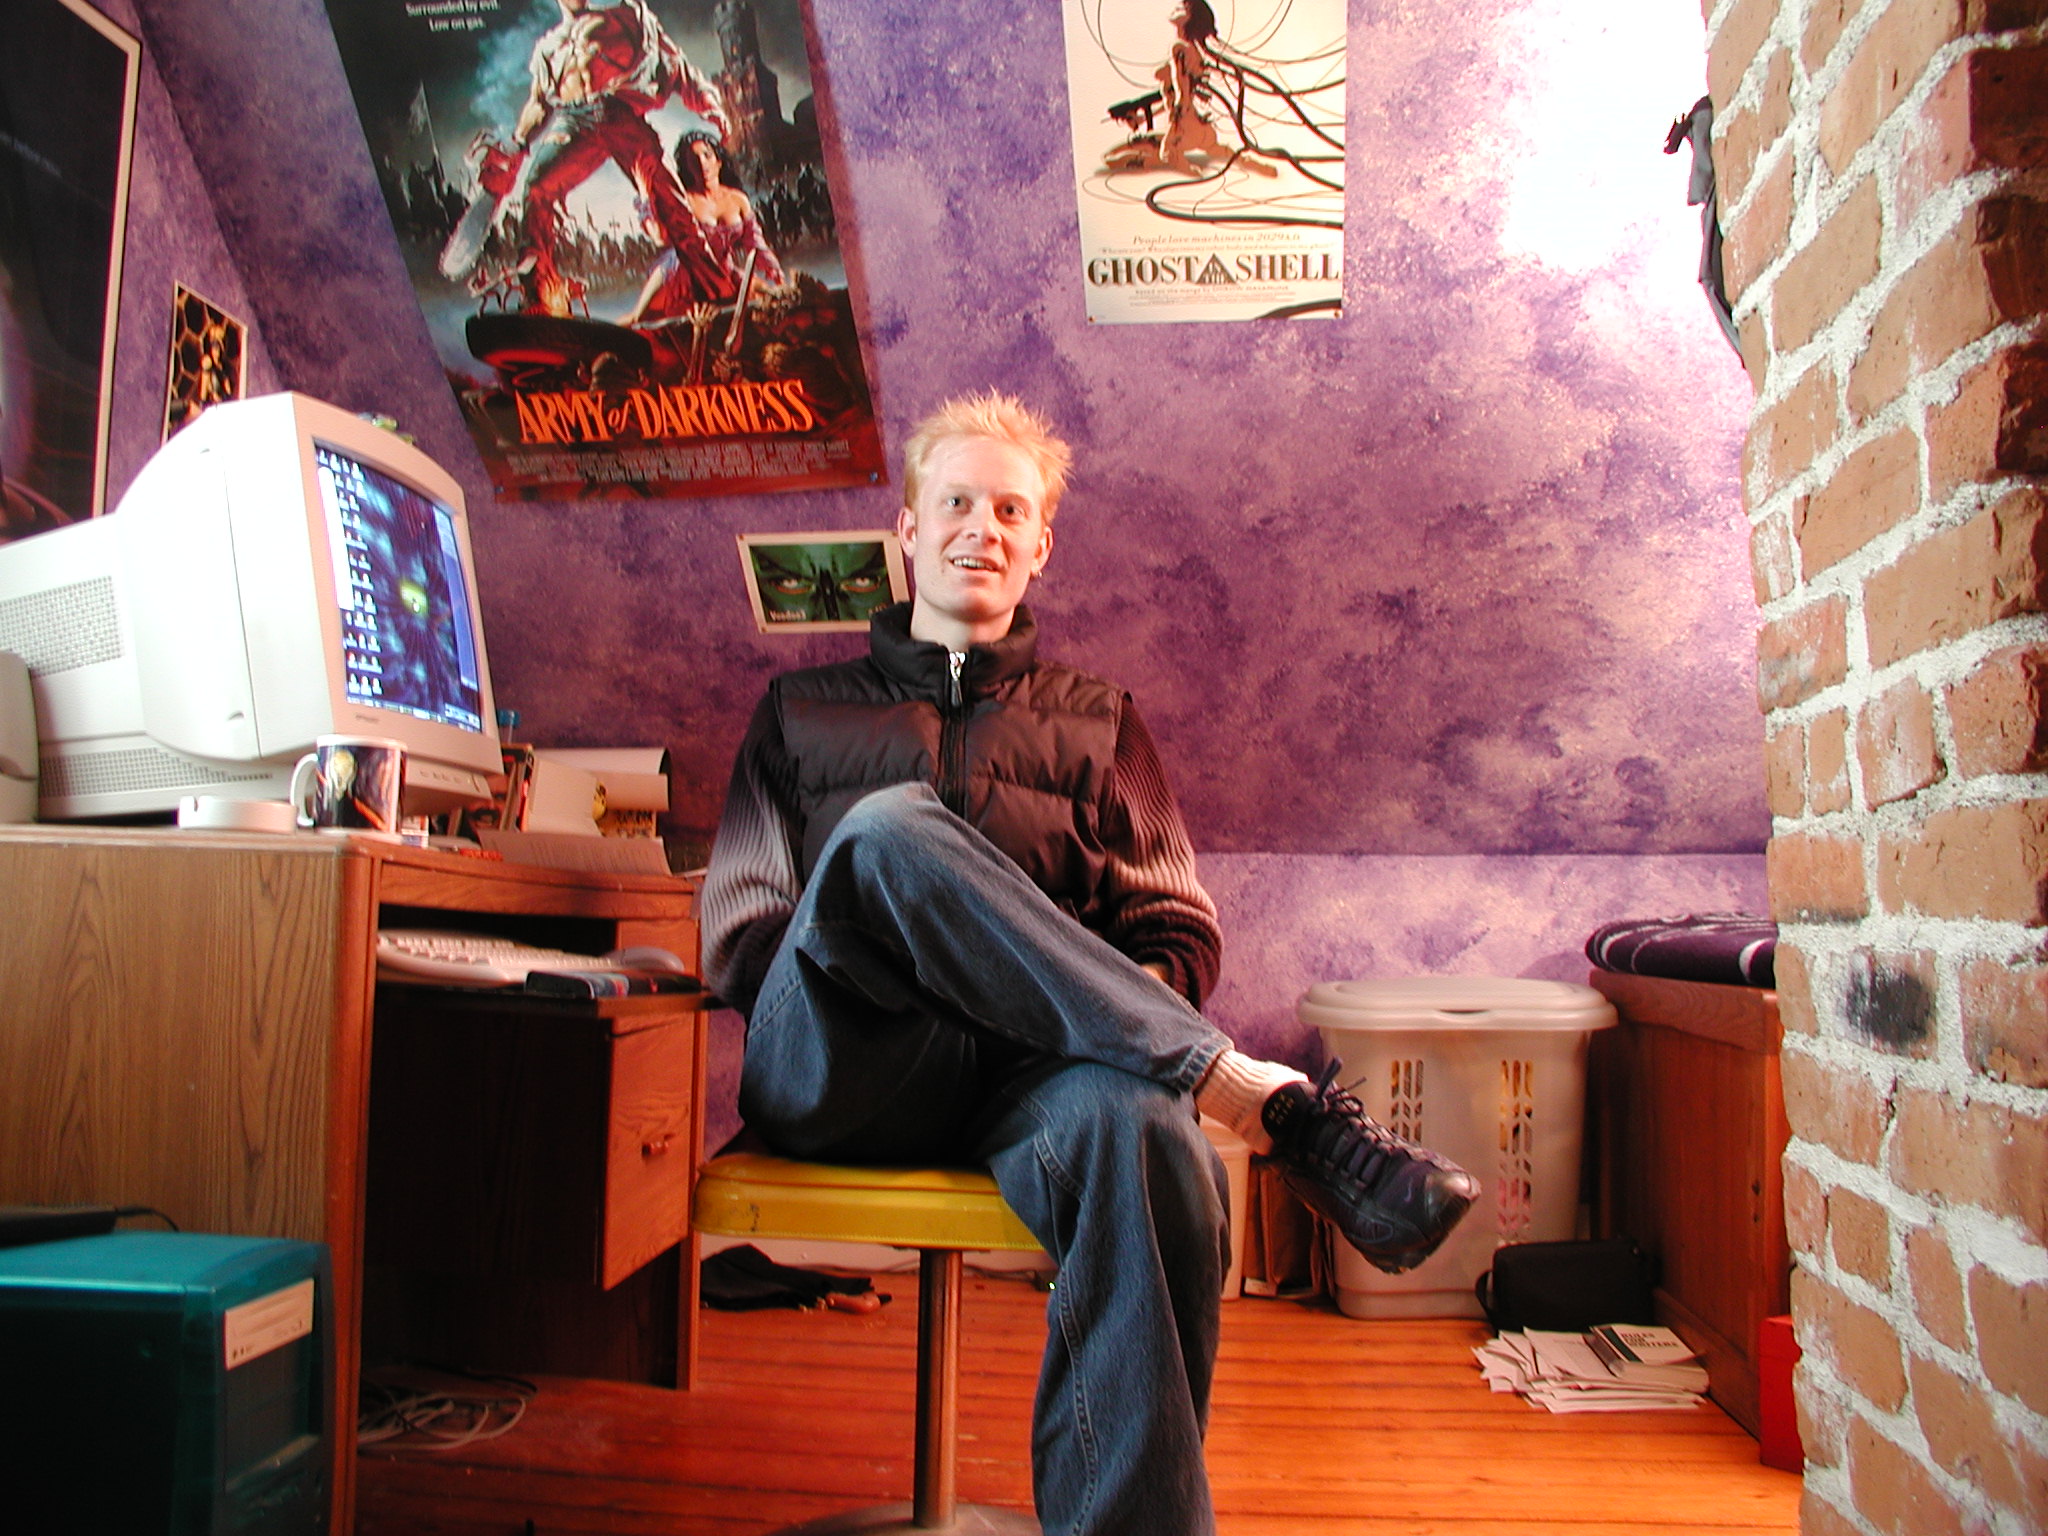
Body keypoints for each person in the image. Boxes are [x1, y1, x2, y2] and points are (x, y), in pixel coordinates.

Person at [702, 393, 1477, 1536]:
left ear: (1041, 546)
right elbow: (737, 928)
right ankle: (1252, 1096)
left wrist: (1060, 1006)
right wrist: (896, 947)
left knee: (1148, 1129)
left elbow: (1175, 929)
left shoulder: (1102, 724)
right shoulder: (796, 710)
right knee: (888, 833)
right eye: (954, 503)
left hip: (1029, 1083)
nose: (981, 527)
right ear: (908, 529)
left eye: (1009, 510)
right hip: (839, 1060)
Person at [489, 0, 730, 316]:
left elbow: (675, 64)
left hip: (616, 112)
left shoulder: (624, 18)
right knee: (537, 190)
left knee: (668, 200)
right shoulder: (549, 48)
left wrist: (708, 103)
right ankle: (539, 297)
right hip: (573, 120)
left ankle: (717, 290)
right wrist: (518, 143)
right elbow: (538, 103)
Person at [622, 130, 787, 325]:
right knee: (639, 318)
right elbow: (660, 238)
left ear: (719, 161)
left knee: (769, 298)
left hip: (724, 271)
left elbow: (755, 242)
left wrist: (774, 271)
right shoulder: (684, 201)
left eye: (707, 155)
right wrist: (645, 195)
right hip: (680, 275)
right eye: (693, 159)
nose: (702, 163)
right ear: (686, 166)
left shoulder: (738, 199)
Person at [1104, 1, 1276, 178]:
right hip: (1197, 126)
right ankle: (1255, 165)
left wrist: (1176, 125)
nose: (1176, 7)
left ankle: (1191, 172)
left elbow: (1181, 89)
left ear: (1190, 19)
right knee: (1132, 145)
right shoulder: (1193, 51)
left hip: (1184, 124)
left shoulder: (1179, 48)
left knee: (1164, 153)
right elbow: (1175, 94)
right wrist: (1143, 117)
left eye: (1182, 8)